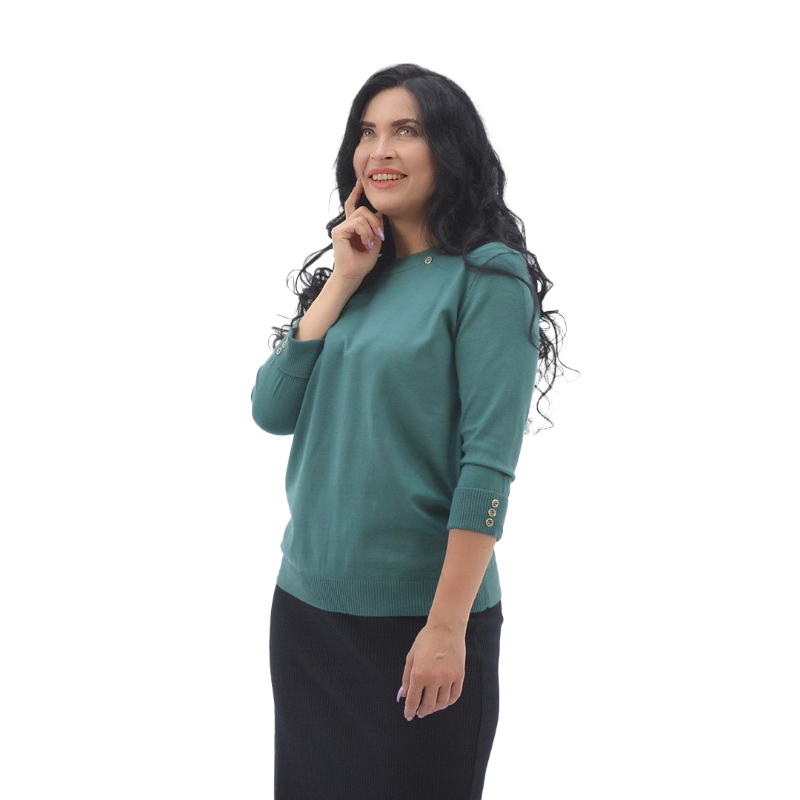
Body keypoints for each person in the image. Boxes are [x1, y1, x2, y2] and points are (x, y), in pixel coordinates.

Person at [251, 63, 567, 800]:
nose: (380, 150)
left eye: (406, 130)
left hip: (420, 624)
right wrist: (343, 278)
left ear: (448, 148)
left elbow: (486, 465)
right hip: (306, 612)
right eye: (367, 132)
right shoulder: (356, 275)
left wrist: (447, 628)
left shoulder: (486, 277)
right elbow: (271, 410)